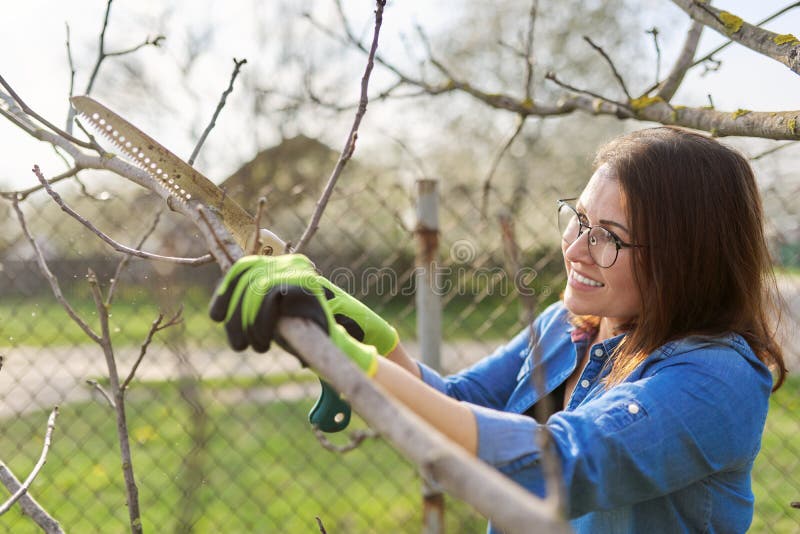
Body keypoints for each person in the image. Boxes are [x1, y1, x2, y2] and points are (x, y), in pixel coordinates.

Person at [209, 126, 787, 533]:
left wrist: (347, 360)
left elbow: (557, 466)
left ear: (688, 258)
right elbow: (457, 408)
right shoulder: (570, 325)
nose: (576, 248)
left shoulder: (717, 381)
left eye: (608, 236)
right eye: (580, 218)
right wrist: (367, 336)